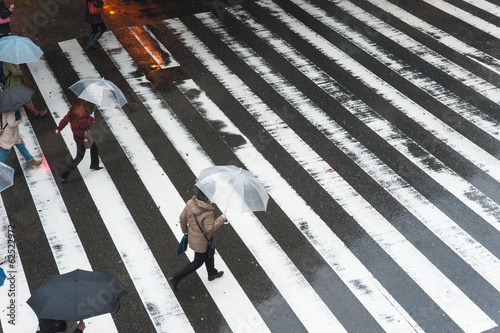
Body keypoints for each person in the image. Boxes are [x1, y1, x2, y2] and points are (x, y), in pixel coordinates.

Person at [168, 188, 227, 292]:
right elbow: (209, 229)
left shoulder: (190, 203)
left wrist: (185, 231)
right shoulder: (208, 211)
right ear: (208, 198)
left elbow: (182, 218)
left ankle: (212, 273)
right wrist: (221, 219)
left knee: (209, 252)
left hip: (193, 236)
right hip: (202, 240)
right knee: (197, 262)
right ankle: (175, 278)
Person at [55, 97, 102, 183]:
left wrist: (59, 129)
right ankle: (63, 175)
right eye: (85, 99)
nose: (87, 99)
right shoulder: (82, 112)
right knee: (79, 158)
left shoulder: (73, 110)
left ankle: (95, 165)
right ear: (82, 101)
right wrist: (91, 118)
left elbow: (64, 120)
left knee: (94, 145)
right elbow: (85, 126)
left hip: (78, 137)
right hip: (82, 138)